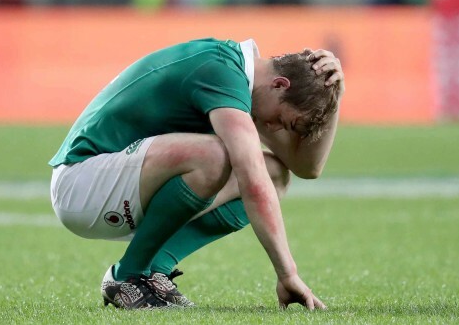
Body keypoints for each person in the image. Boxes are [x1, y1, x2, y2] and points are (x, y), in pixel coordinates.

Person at [49, 38, 344, 310]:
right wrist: (287, 273)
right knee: (218, 157)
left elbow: (307, 167)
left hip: (111, 184)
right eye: (282, 120)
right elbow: (252, 180)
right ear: (280, 84)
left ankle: (154, 271)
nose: (275, 128)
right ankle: (128, 276)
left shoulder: (247, 81)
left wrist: (335, 92)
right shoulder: (221, 71)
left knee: (275, 173)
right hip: (82, 183)